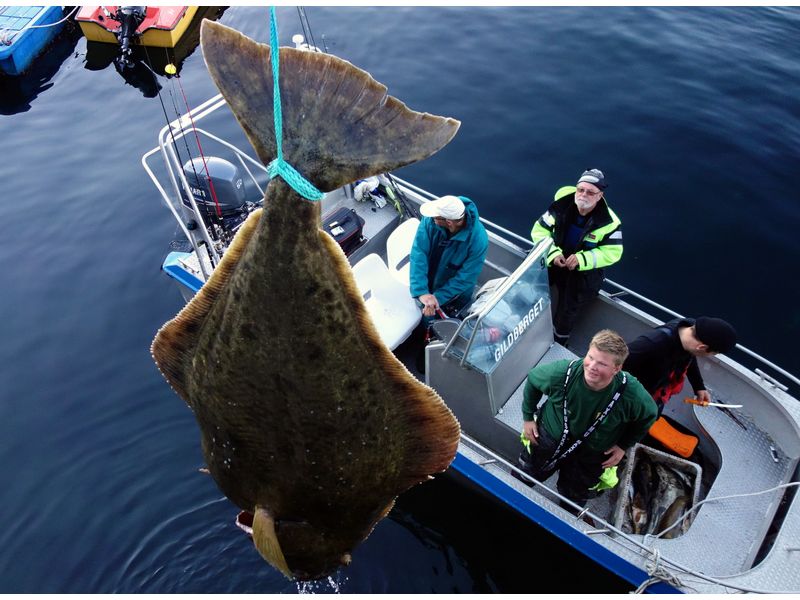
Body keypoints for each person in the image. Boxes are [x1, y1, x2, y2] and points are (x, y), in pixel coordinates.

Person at [518, 329, 657, 506]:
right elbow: (533, 380)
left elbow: (648, 415)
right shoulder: (561, 373)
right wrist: (528, 416)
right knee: (527, 472)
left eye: (602, 364)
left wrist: (624, 445)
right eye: (590, 357)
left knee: (574, 495)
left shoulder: (631, 394)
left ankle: (568, 511)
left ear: (617, 368)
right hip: (549, 438)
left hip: (591, 454)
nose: (592, 367)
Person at [530, 169, 622, 346]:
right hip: (553, 263)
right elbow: (539, 230)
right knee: (530, 289)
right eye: (581, 190)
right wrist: (552, 253)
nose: (583, 195)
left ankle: (556, 344)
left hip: (582, 275)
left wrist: (582, 260)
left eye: (590, 192)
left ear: (599, 195)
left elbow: (613, 252)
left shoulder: (610, 222)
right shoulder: (560, 205)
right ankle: (521, 326)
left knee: (567, 313)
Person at [623, 316, 738, 414]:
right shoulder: (652, 344)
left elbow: (690, 357)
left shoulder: (690, 333)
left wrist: (699, 387)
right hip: (630, 401)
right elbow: (616, 364)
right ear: (702, 348)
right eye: (714, 353)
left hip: (655, 397)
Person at [409, 194, 489, 323]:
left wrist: (437, 299)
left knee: (450, 320)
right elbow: (419, 253)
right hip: (428, 282)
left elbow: (466, 277)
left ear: (449, 222)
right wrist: (421, 291)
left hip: (457, 293)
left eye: (436, 217)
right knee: (426, 318)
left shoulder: (479, 241)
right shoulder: (429, 221)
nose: (432, 217)